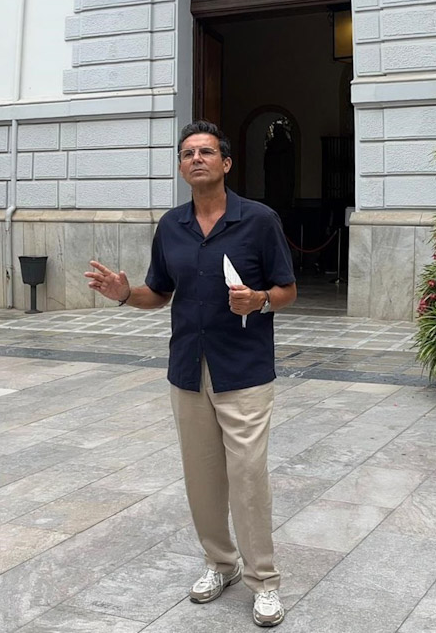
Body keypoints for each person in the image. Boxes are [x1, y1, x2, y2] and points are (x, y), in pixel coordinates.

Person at [85, 120, 296, 628]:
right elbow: (157, 293)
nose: (195, 159)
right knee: (202, 479)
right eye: (186, 154)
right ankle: (219, 564)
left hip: (243, 370)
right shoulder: (171, 226)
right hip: (188, 369)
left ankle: (263, 581)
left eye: (205, 152)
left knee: (247, 478)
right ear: (181, 168)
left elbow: (287, 290)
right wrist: (123, 293)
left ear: (226, 163)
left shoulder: (259, 221)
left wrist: (260, 299)